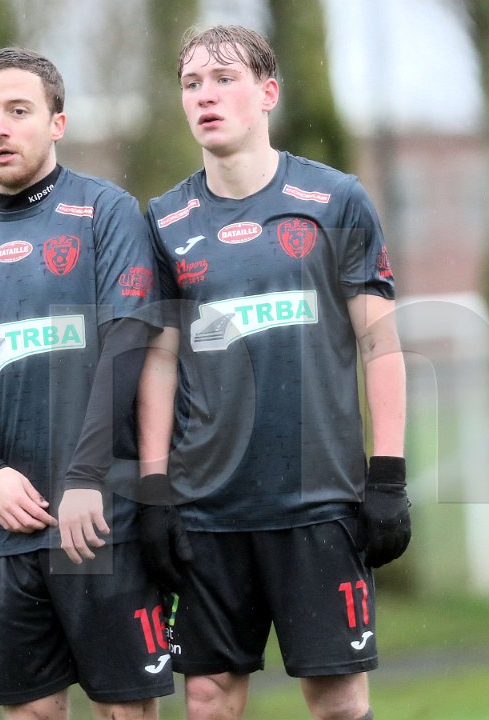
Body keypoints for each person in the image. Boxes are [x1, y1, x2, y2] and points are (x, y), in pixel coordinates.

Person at [136, 25, 411, 720]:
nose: (205, 95)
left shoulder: (336, 200)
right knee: (207, 698)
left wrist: (387, 476)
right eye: (191, 83)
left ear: (268, 93)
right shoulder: (164, 220)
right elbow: (160, 360)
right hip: (207, 507)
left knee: (338, 700)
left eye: (224, 79)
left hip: (319, 500)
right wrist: (155, 489)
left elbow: (380, 344)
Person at [0, 47, 174, 720]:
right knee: (30, 713)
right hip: (4, 526)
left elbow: (129, 341)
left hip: (98, 519)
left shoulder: (105, 211)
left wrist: (87, 476)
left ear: (57, 122)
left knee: (124, 712)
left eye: (18, 110)